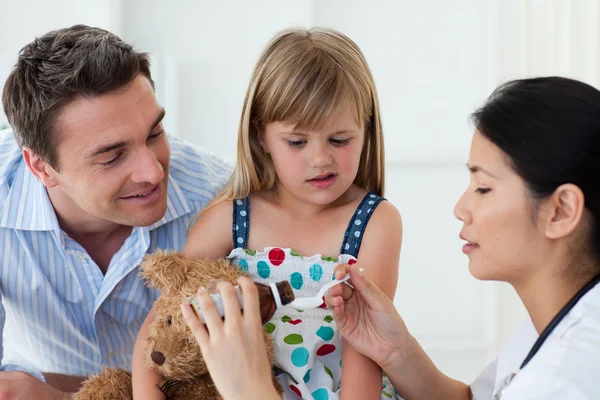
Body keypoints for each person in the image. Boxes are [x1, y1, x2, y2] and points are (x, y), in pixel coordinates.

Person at [183, 76, 600, 400]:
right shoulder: (554, 332)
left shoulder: (568, 380)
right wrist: (396, 351)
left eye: (484, 187)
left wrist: (248, 387)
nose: (461, 208)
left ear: (560, 211)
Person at [133, 27, 403, 400]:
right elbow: (163, 325)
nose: (320, 158)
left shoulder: (375, 222)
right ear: (261, 137)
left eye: (339, 140)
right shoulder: (230, 218)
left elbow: (366, 349)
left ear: (366, 129)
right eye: (297, 142)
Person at [0, 25, 231, 399]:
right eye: (112, 156)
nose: (153, 172)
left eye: (154, 134)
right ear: (41, 167)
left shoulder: (221, 198)